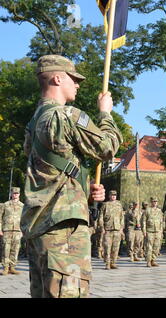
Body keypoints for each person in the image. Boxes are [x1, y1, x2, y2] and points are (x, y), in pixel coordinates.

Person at [21, 54, 122, 297]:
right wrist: (105, 114)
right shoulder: (65, 115)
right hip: (62, 229)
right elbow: (107, 147)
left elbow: (52, 176)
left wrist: (84, 192)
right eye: (73, 79)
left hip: (39, 227)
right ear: (57, 78)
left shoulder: (33, 123)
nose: (77, 84)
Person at [98, 190, 125, 270]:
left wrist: (121, 228)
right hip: (107, 229)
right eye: (112, 195)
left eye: (115, 195)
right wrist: (102, 228)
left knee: (115, 248)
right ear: (109, 196)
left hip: (117, 229)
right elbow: (101, 217)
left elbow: (122, 217)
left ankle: (113, 262)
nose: (113, 196)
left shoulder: (119, 205)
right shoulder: (105, 205)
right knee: (107, 247)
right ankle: (107, 263)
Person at [0, 187, 24, 275]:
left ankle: (12, 267)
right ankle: (5, 267)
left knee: (15, 249)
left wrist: (23, 231)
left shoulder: (22, 206)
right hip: (7, 229)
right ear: (11, 194)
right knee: (6, 248)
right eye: (14, 193)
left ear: (19, 194)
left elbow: (24, 219)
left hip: (17, 230)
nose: (15, 195)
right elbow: (0, 218)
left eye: (17, 193)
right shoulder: (5, 205)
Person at [142, 197, 163, 267]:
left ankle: (153, 260)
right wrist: (144, 231)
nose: (155, 203)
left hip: (157, 231)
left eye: (156, 202)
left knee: (156, 247)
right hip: (149, 231)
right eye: (153, 201)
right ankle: (148, 261)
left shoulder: (159, 211)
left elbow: (161, 222)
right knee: (149, 247)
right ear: (151, 202)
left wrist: (161, 231)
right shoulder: (147, 210)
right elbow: (143, 221)